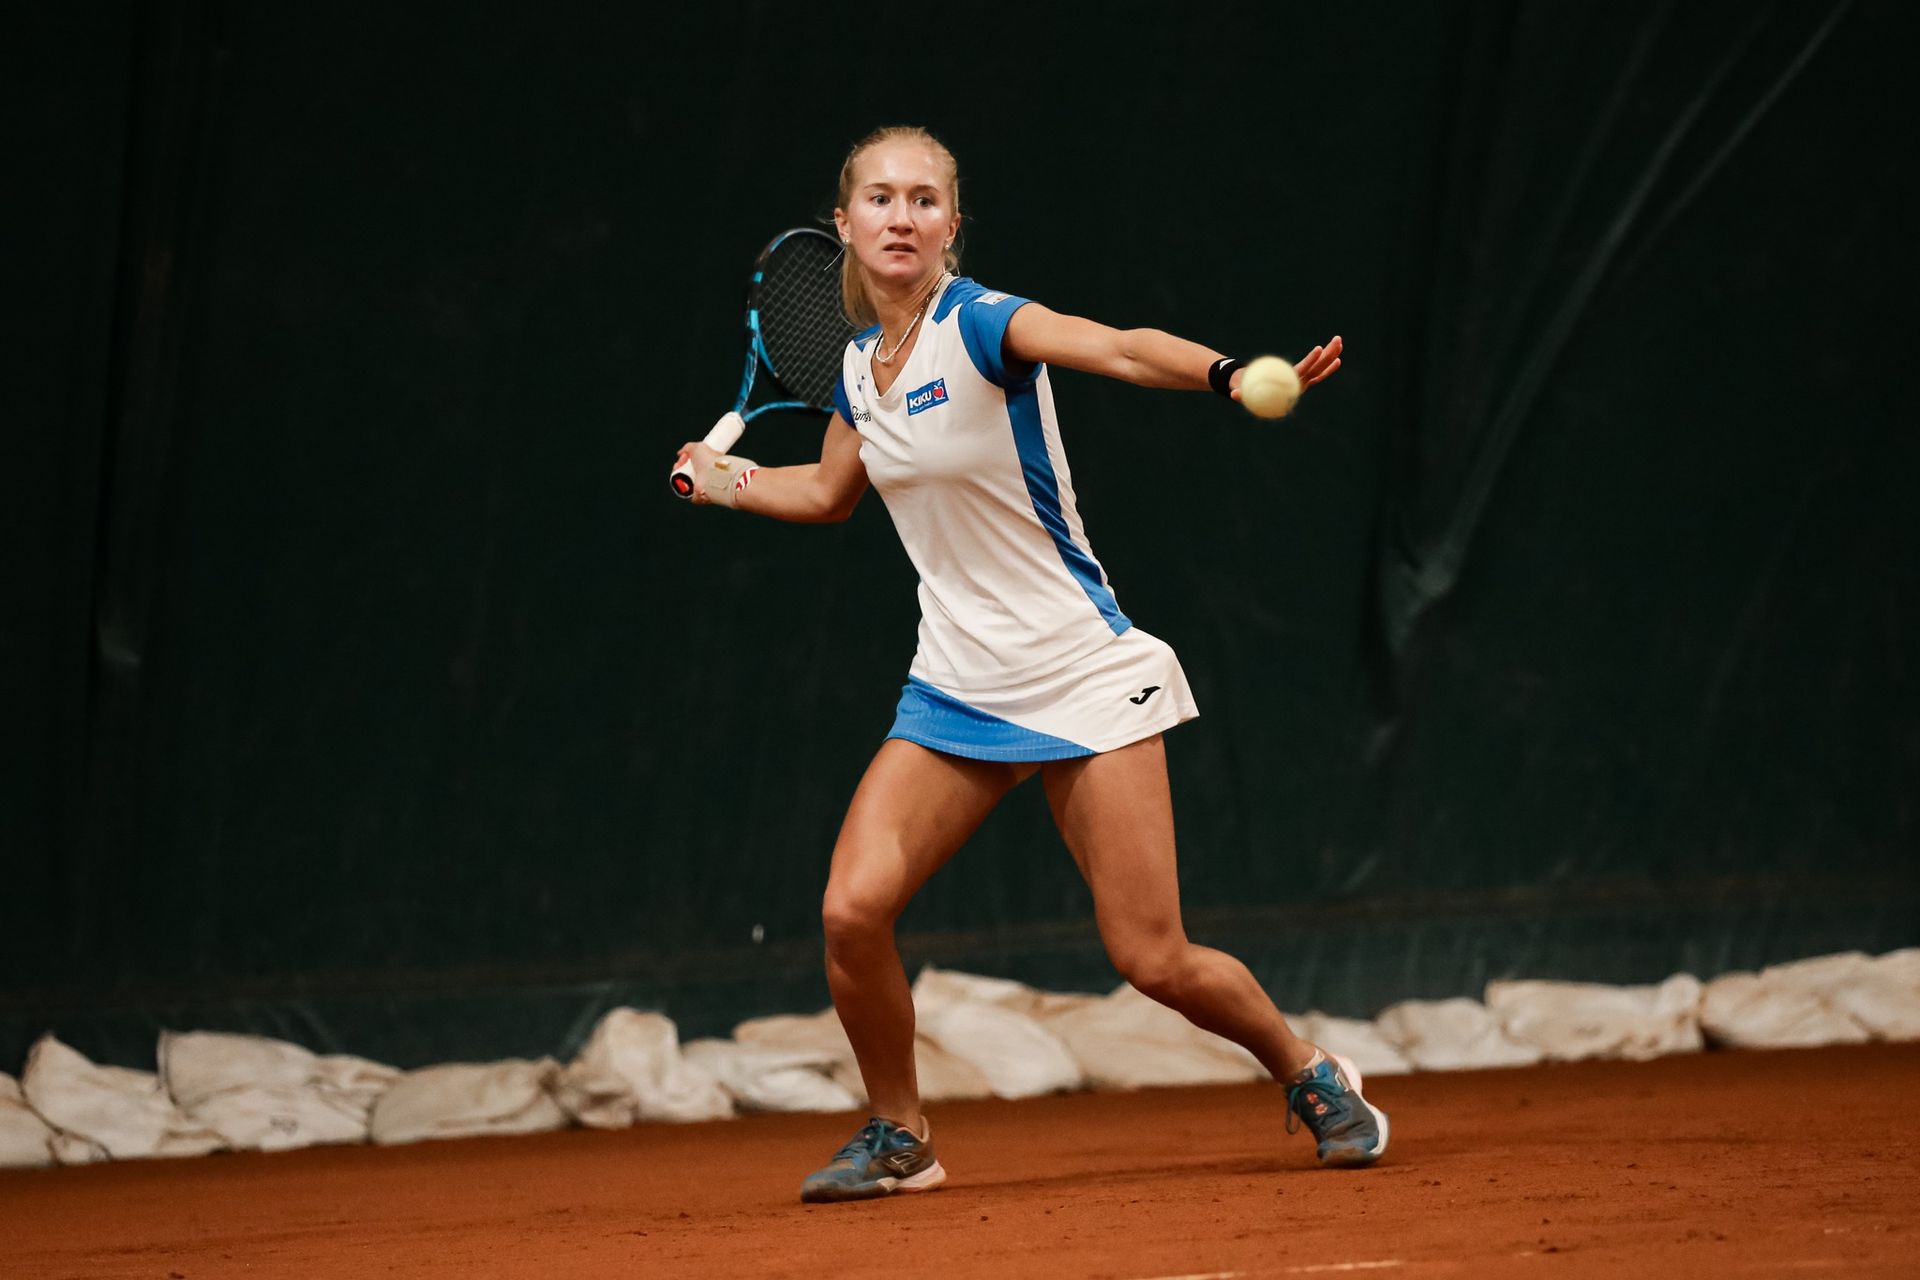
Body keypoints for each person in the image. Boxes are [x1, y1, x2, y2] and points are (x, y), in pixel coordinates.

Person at [675, 125, 1385, 1204]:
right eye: (880, 198)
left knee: (1152, 957)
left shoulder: (983, 323)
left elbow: (1119, 346)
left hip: (1079, 671)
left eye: (924, 200)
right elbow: (825, 493)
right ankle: (901, 1132)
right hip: (955, 683)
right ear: (845, 224)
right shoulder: (857, 371)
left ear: (951, 225)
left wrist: (1230, 374)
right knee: (851, 911)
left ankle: (1310, 1072)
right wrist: (722, 481)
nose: (902, 216)